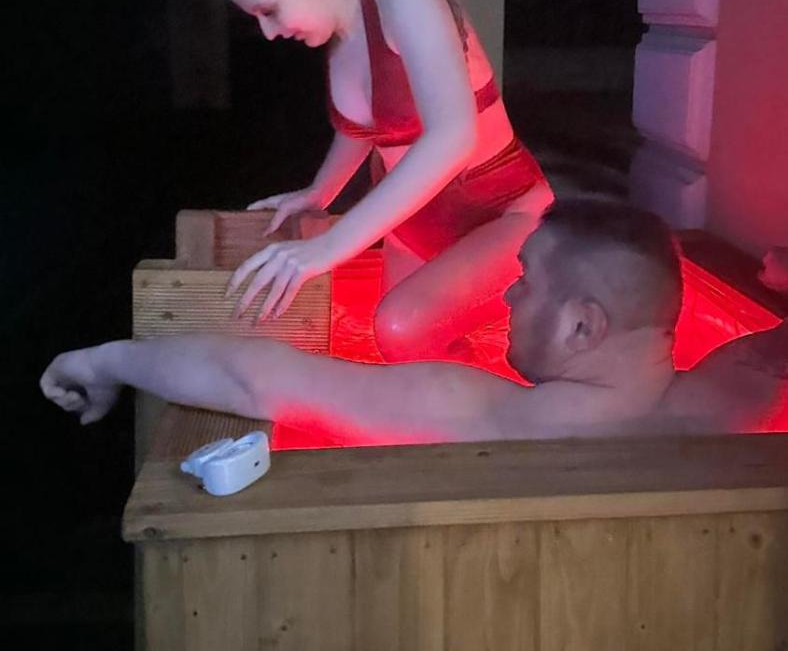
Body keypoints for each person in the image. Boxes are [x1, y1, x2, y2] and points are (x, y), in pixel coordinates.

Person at [40, 201, 788, 440]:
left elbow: (256, 378)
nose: (507, 299)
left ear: (584, 329)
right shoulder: (741, 397)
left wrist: (101, 359)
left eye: (525, 283)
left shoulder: (495, 417)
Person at [221, 0, 553, 362]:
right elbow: (365, 128)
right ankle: (463, 395)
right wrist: (320, 192)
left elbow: (454, 136)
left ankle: (495, 399)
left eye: (269, 10)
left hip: (501, 213)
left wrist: (330, 247)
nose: (268, 33)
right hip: (414, 225)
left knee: (401, 329)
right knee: (401, 350)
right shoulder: (342, 36)